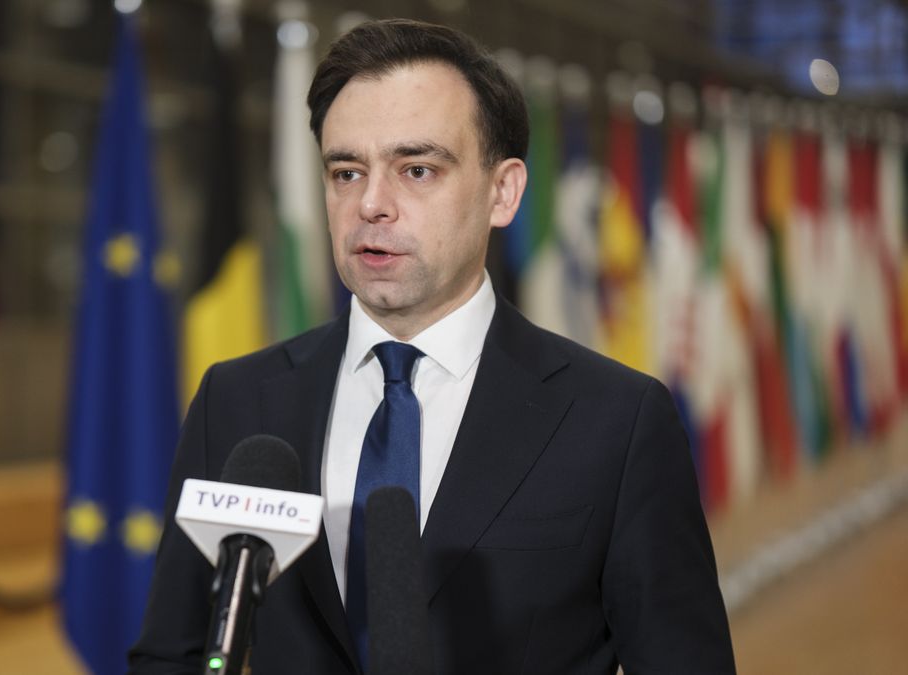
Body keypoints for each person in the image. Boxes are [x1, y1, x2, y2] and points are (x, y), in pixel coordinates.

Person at [130, 18, 735, 674]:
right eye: (346, 171)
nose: (371, 204)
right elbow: (172, 653)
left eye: (416, 169)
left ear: (502, 192)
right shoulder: (238, 402)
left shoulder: (618, 424)